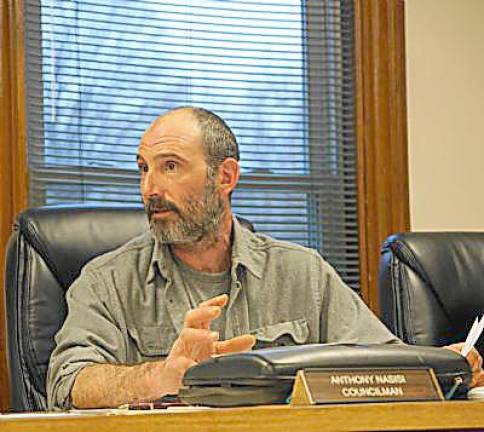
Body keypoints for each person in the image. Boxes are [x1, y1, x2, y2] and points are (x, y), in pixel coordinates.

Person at [47, 107, 484, 410]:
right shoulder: (106, 280)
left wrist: (442, 367)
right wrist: (163, 376)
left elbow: (380, 364)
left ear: (226, 176)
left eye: (171, 166)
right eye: (143, 168)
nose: (149, 188)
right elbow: (67, 383)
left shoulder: (301, 272)